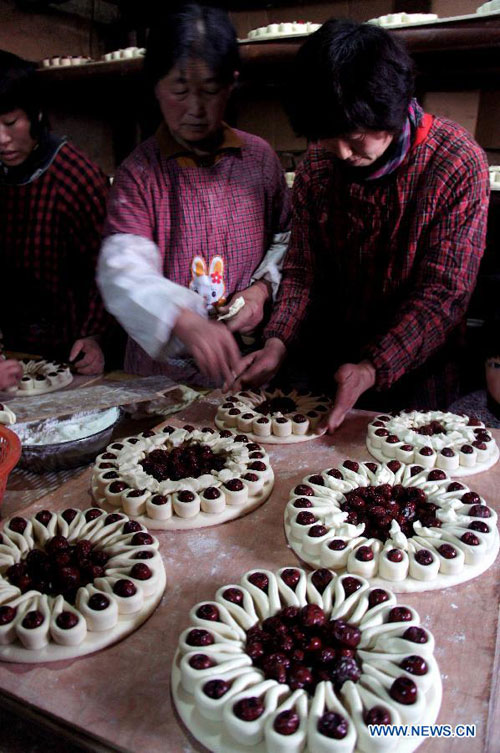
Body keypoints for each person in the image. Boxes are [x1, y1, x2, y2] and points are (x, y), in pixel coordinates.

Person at [236, 19, 490, 431]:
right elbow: (303, 272)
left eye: (353, 136)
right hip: (326, 374)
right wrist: (277, 342)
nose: (340, 152)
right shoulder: (318, 169)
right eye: (324, 137)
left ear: (391, 108)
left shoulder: (455, 162)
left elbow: (444, 292)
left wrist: (373, 366)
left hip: (419, 381)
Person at [97, 3, 290, 388]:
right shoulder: (140, 172)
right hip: (160, 380)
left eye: (211, 90)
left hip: (244, 367)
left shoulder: (259, 159)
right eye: (180, 91)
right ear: (155, 86)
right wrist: (182, 319)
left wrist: (261, 290)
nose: (196, 110)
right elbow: (122, 269)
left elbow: (286, 241)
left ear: (232, 83)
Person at [0, 51, 109, 378]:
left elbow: (106, 269)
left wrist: (93, 336)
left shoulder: (77, 177)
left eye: (10, 123)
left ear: (36, 114)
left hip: (70, 350)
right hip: (12, 352)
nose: (1, 140)